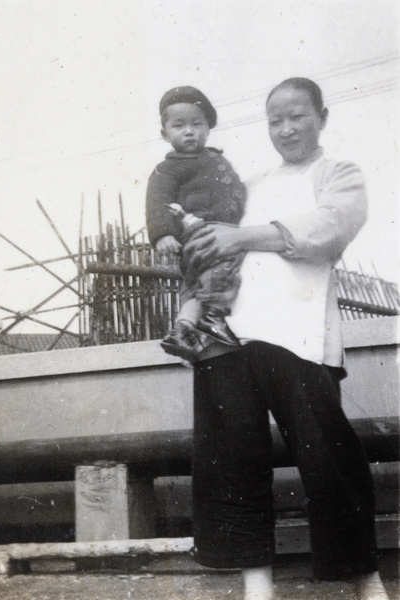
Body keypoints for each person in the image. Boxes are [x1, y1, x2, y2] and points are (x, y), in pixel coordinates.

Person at [183, 78, 390, 600]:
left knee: (330, 458)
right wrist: (192, 306)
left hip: (297, 337)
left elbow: (327, 229)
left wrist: (242, 236)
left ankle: (366, 580)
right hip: (229, 336)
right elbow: (209, 246)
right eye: (275, 119)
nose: (286, 128)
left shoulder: (339, 174)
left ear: (322, 114)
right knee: (232, 461)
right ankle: (258, 587)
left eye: (297, 115)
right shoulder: (246, 186)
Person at [146, 86, 247, 361]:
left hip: (216, 232)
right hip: (199, 233)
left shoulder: (216, 159)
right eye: (179, 126)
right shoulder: (167, 169)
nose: (189, 131)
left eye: (197, 124)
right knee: (224, 265)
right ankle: (213, 317)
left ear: (208, 128)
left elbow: (238, 191)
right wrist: (162, 234)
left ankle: (182, 329)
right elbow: (157, 202)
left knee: (194, 287)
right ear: (165, 134)